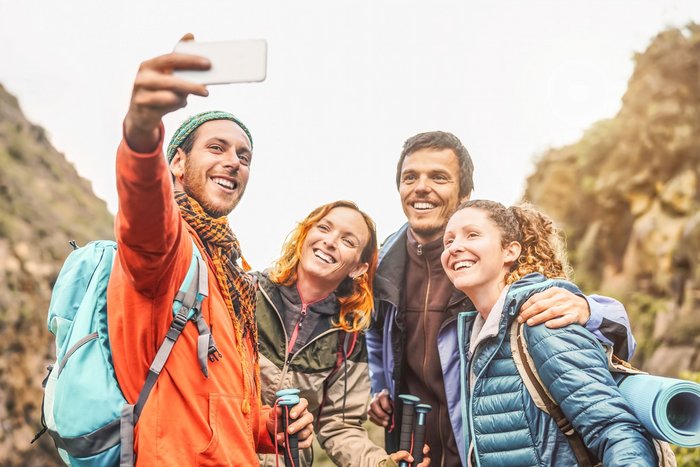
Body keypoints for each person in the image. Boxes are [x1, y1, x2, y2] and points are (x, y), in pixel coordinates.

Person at [365, 131, 637, 465]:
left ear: (464, 193)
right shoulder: (383, 266)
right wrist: (379, 386)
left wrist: (588, 309)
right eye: (410, 177)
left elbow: (612, 415)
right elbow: (373, 330)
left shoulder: (490, 265)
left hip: (479, 447)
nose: (421, 187)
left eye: (438, 177)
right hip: (416, 449)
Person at [106, 44, 314, 465]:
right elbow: (144, 203)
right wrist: (142, 131)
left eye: (244, 156)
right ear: (178, 163)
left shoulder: (225, 269)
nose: (234, 162)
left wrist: (266, 426)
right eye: (217, 148)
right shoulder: (169, 247)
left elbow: (215, 401)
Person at [439, 199, 656, 465]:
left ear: (510, 251)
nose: (455, 247)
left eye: (472, 235)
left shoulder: (542, 322)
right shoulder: (478, 336)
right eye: (448, 241)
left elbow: (615, 431)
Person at [256, 201, 429, 466]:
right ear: (305, 235)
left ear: (358, 268)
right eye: (324, 228)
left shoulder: (348, 337)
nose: (330, 241)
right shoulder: (248, 293)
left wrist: (381, 464)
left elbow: (341, 425)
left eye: (348, 241)